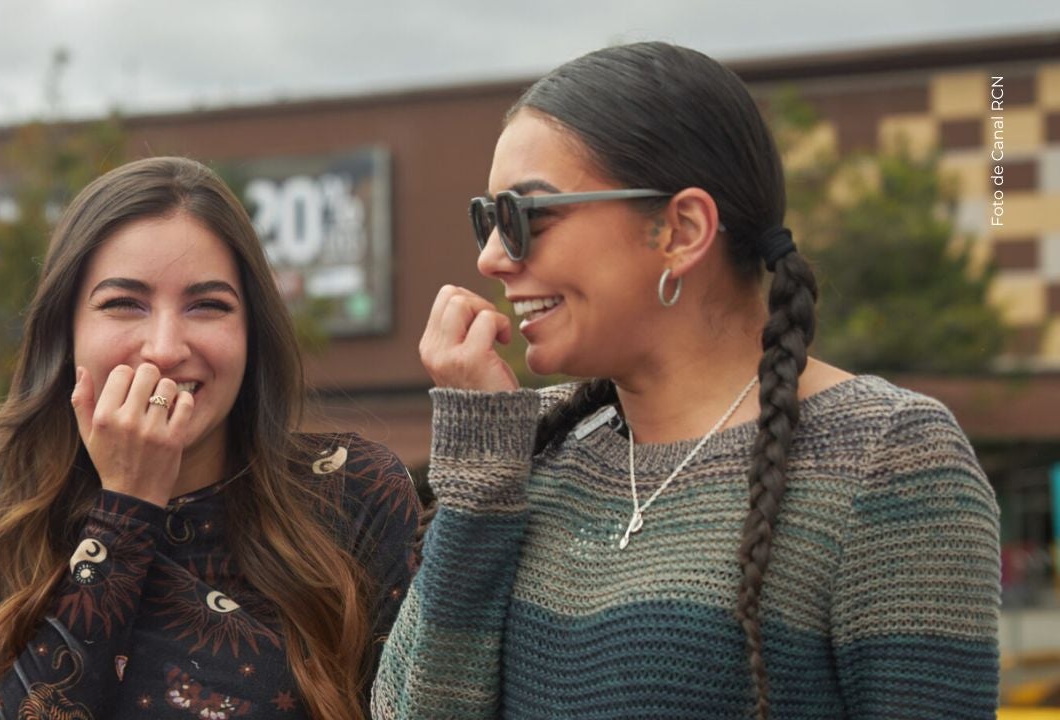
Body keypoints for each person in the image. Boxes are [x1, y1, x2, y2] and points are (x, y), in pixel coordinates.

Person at [372, 42, 999, 719]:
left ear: (682, 229)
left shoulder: (887, 456)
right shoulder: (532, 450)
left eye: (525, 217)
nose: (491, 257)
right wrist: (479, 481)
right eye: (487, 220)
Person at [0, 156, 419, 720]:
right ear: (68, 333)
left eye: (207, 306)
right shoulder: (13, 510)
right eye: (123, 304)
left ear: (251, 332)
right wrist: (126, 509)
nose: (164, 347)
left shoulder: (353, 490)